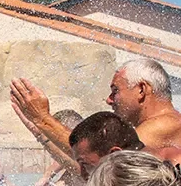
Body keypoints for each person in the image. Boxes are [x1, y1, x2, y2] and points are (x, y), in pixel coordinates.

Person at [11, 58, 181, 158]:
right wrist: (41, 131)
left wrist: (43, 119)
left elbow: (101, 158)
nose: (109, 100)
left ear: (141, 90)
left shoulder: (165, 125)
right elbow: (85, 168)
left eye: (115, 91)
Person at [0, 109, 83, 186]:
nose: (51, 152)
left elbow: (68, 160)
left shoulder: (93, 169)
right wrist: (1, 180)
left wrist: (48, 175)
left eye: (54, 144)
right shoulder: (73, 176)